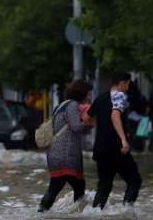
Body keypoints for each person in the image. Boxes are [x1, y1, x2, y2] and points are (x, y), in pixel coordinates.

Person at [85, 72, 143, 210]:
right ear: (123, 83)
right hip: (116, 147)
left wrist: (97, 123)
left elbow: (86, 118)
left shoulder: (100, 98)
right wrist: (123, 139)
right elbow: (115, 115)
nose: (128, 87)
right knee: (134, 180)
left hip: (100, 148)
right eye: (128, 84)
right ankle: (126, 212)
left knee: (104, 185)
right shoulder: (120, 96)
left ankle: (94, 214)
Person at [39, 80, 92, 212]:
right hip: (66, 155)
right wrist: (87, 124)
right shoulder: (72, 105)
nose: (89, 96)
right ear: (82, 93)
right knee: (77, 186)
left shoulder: (60, 105)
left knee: (56, 186)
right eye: (88, 93)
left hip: (54, 154)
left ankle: (42, 213)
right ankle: (78, 217)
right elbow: (75, 127)